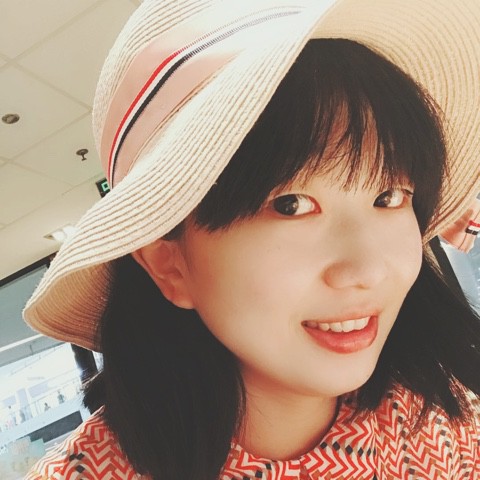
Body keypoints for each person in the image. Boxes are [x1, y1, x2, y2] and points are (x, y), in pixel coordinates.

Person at [23, 0, 480, 478]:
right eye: (291, 204)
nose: (368, 270)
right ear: (169, 264)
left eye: (389, 196)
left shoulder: (444, 423)